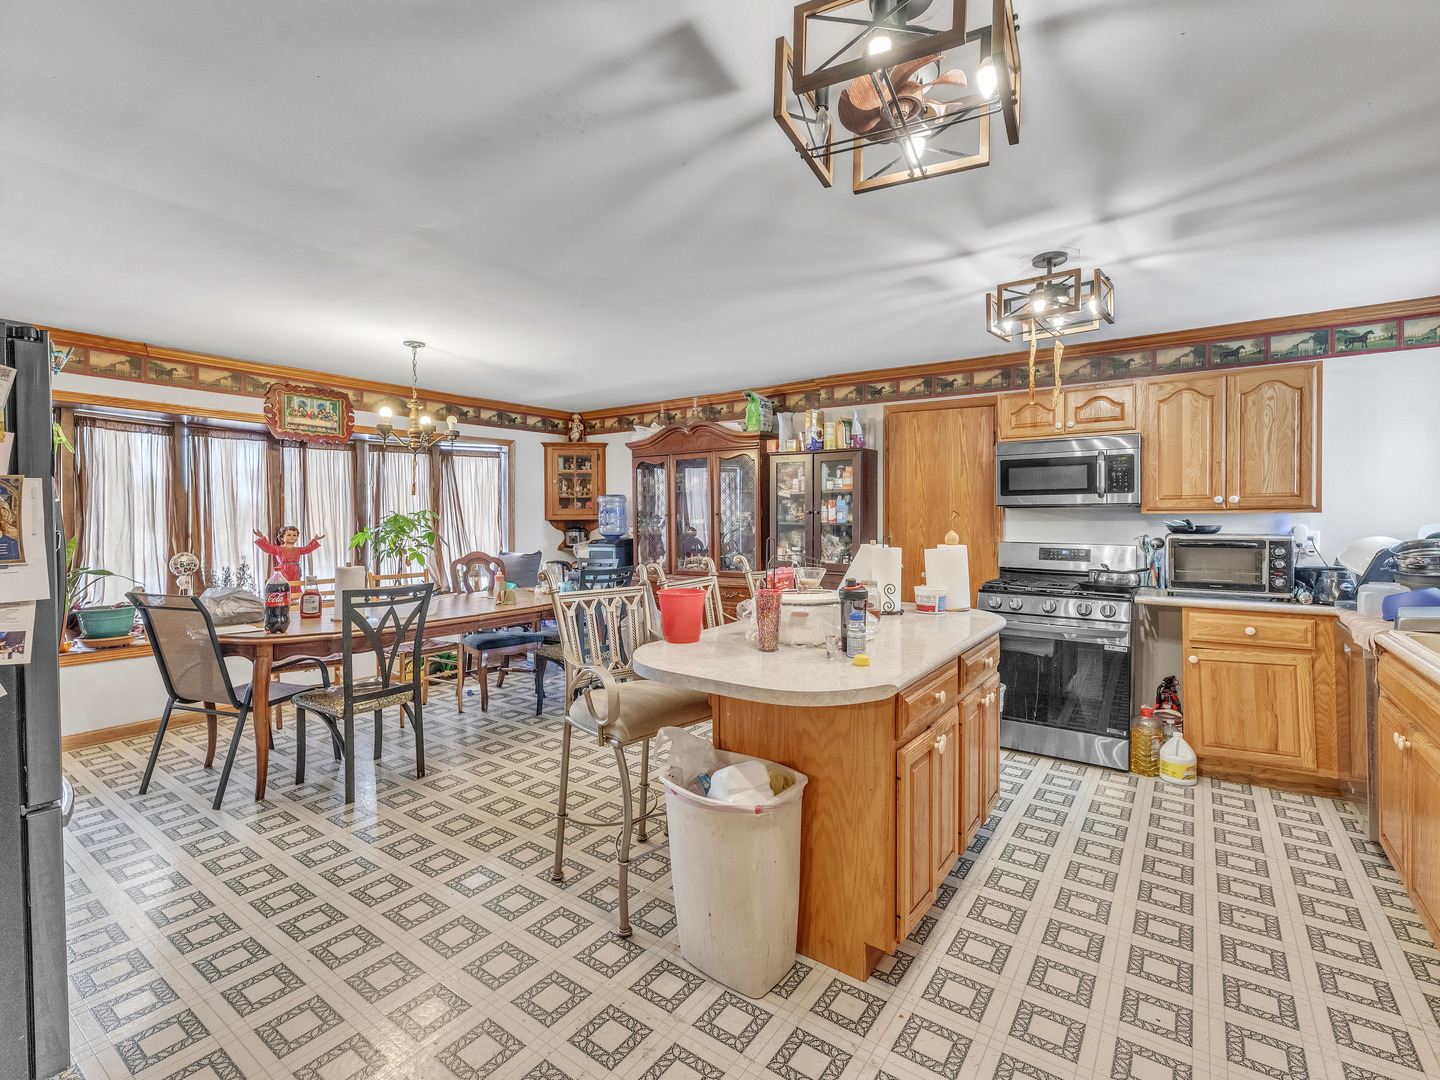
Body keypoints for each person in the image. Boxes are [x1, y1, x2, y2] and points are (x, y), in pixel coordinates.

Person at [253, 525, 324, 585]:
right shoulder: (279, 549)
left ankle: (295, 596)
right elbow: (267, 548)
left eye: (294, 535)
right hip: (283, 570)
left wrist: (315, 540)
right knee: (284, 585)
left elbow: (307, 549)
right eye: (289, 535)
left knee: (295, 585)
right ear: (282, 538)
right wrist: (261, 537)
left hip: (295, 570)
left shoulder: (297, 550)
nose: (292, 537)